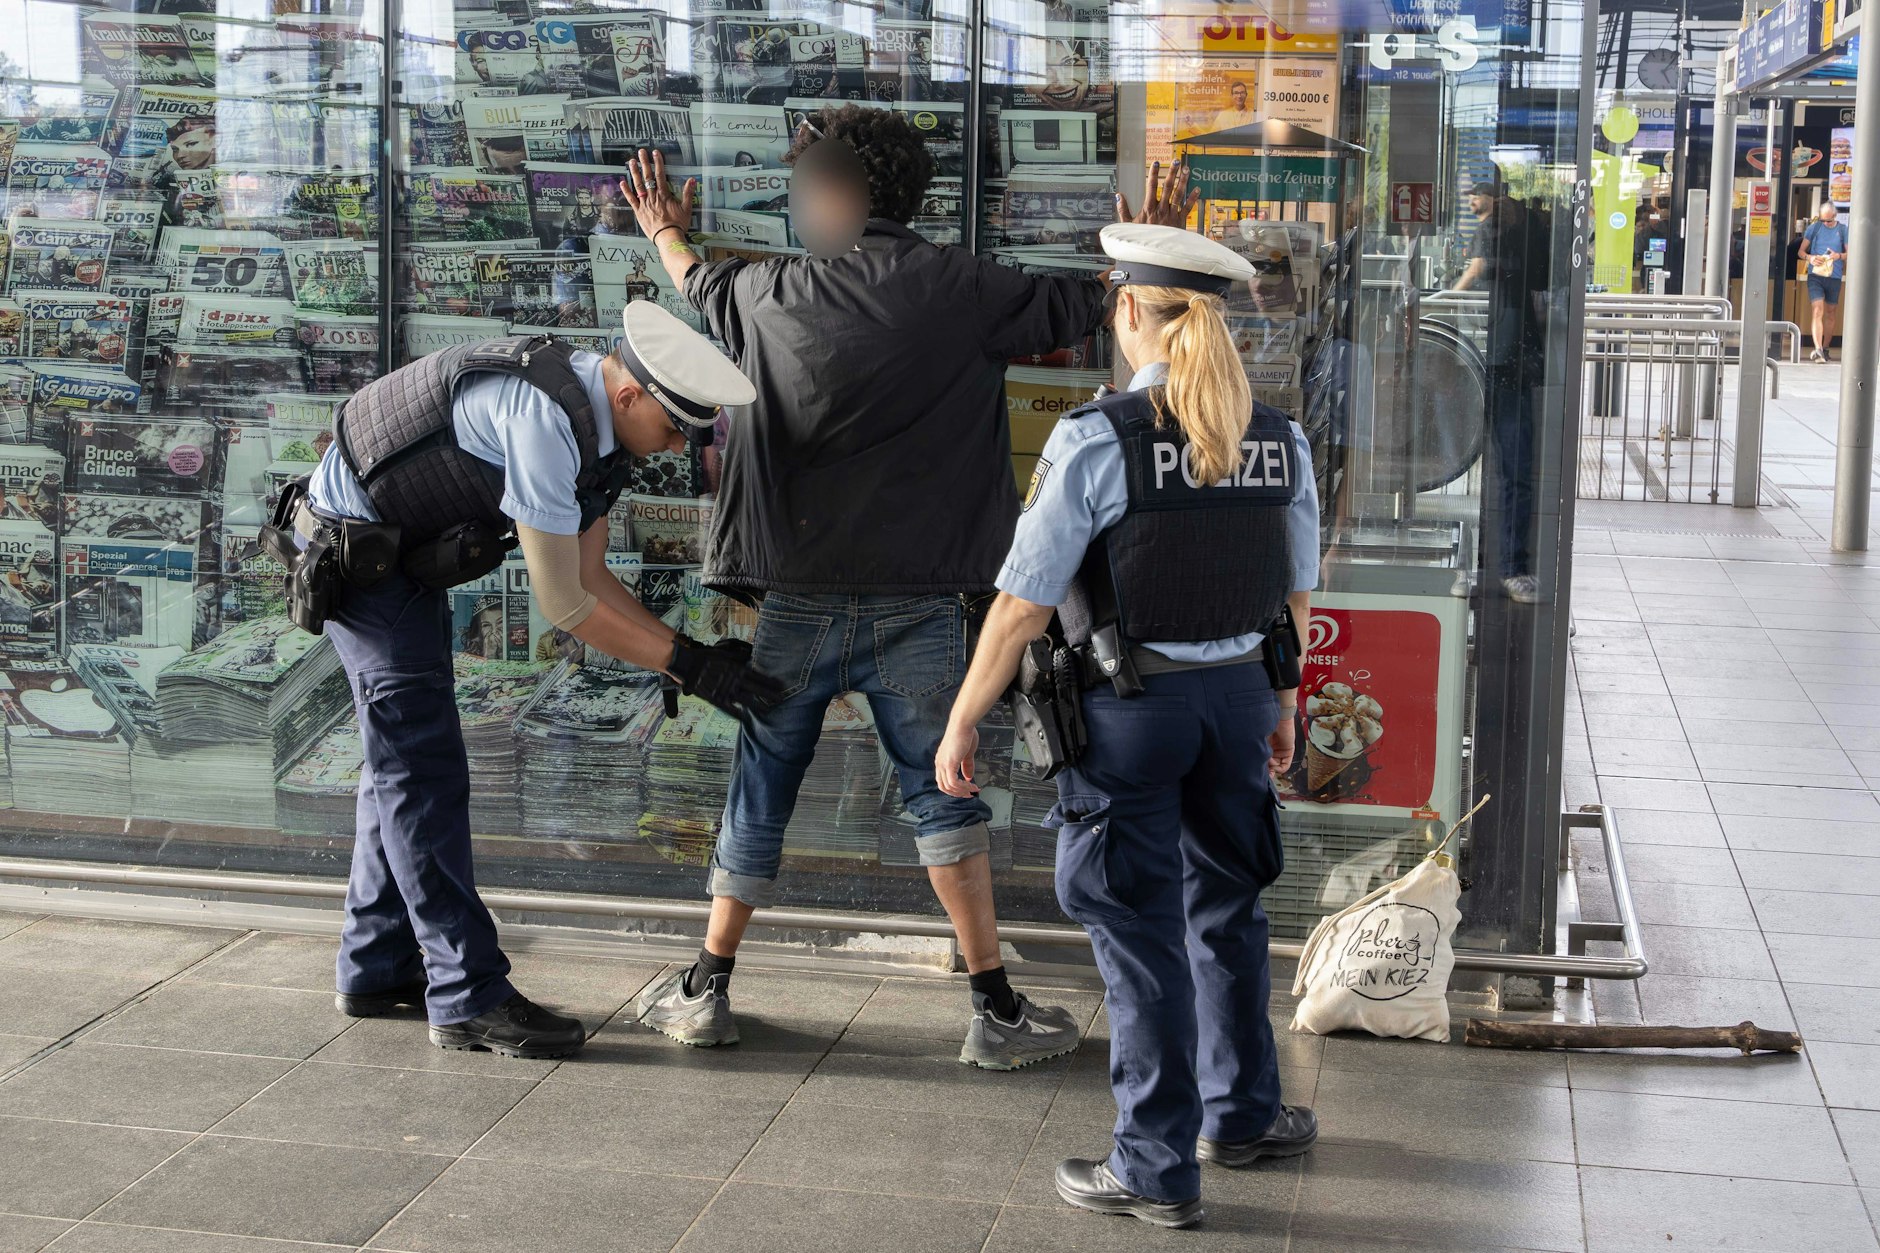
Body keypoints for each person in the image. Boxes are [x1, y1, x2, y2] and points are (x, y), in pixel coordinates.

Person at [617, 103, 1197, 1066]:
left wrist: (663, 228)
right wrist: (1159, 244)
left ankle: (706, 987)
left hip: (792, 603)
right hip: (924, 607)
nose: (797, 207)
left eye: (806, 189)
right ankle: (994, 1009)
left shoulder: (765, 293)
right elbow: (1099, 302)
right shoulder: (960, 288)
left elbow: (697, 279)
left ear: (841, 196)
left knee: (759, 788)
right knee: (946, 796)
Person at [934, 223, 1320, 1229]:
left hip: (1127, 714)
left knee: (1137, 929)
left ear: (1126, 312)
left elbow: (1022, 604)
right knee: (1226, 909)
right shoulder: (1275, 435)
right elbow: (1293, 600)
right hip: (1237, 700)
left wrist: (962, 716)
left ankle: (1152, 1164)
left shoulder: (1094, 436)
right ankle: (1240, 1114)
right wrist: (1277, 706)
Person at [299, 306, 780, 1059]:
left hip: (395, 551)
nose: (676, 448)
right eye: (674, 428)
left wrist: (692, 654)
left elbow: (591, 575)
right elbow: (566, 605)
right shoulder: (547, 422)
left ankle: (376, 964)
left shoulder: (596, 429)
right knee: (420, 769)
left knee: (399, 764)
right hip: (355, 552)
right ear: (629, 396)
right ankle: (466, 996)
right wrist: (686, 663)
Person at [1800, 201, 1848, 362]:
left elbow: (1851, 252)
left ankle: (1826, 347)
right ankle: (1818, 349)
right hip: (1816, 276)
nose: (1826, 223)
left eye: (1829, 220)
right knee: (1817, 310)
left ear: (1835, 216)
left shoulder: (1842, 230)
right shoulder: (1814, 228)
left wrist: (1838, 256)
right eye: (1823, 220)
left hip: (1834, 276)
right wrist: (1810, 257)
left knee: (1831, 312)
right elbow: (1801, 251)